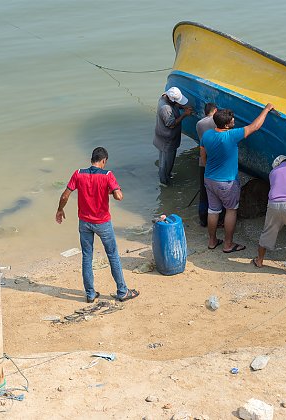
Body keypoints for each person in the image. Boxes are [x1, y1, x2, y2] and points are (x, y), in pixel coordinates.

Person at [55, 147, 139, 303]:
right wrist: (114, 191)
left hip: (84, 222)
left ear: (91, 159)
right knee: (113, 255)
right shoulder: (107, 175)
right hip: (103, 223)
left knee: (87, 256)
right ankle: (122, 291)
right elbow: (119, 196)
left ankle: (90, 294)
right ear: (104, 161)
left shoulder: (78, 173)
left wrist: (60, 210)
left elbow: (65, 195)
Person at [200, 103, 275, 253]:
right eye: (232, 120)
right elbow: (255, 126)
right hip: (227, 182)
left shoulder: (207, 134)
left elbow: (203, 155)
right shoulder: (231, 135)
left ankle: (212, 241)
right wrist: (266, 110)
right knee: (231, 210)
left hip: (209, 178)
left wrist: (211, 168)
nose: (234, 121)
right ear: (227, 125)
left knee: (213, 211)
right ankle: (228, 244)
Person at [153, 86, 193, 187]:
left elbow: (174, 105)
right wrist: (184, 114)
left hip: (166, 138)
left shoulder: (164, 97)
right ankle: (164, 183)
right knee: (165, 163)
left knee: (168, 161)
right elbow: (171, 124)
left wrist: (182, 107)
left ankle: (167, 176)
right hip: (166, 140)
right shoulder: (165, 108)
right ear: (172, 100)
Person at [195, 102, 218, 227]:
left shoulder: (199, 124)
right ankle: (218, 219)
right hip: (214, 161)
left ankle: (202, 218)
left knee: (203, 191)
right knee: (216, 193)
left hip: (202, 162)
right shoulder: (216, 122)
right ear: (215, 110)